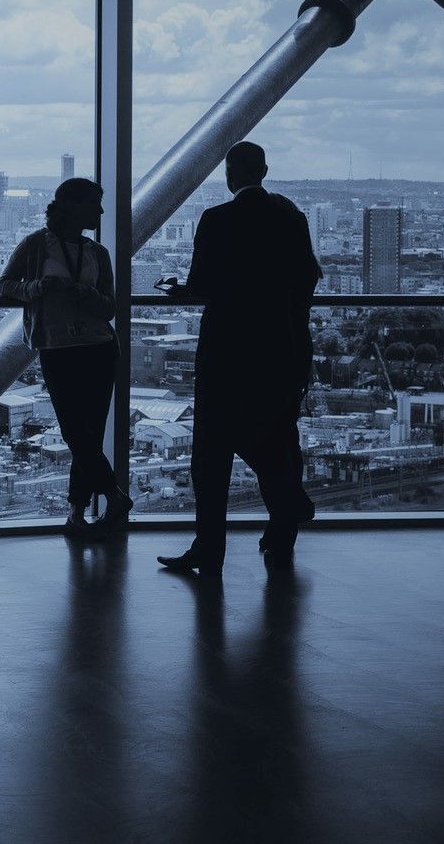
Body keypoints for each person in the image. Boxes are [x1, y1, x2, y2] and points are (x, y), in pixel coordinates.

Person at [157, 141, 322, 577]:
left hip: (227, 351)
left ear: (230, 175)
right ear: (264, 170)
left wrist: (180, 291)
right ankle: (282, 528)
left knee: (211, 455)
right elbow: (308, 278)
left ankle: (209, 550)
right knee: (279, 437)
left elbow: (202, 286)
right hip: (282, 349)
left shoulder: (217, 219)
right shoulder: (292, 218)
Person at [0, 178, 132, 538]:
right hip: (60, 348)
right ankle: (113, 497)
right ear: (73, 207)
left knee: (85, 434)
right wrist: (38, 288)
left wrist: (77, 292)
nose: (101, 212)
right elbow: (5, 286)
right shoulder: (36, 246)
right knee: (79, 434)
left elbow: (108, 308)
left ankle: (76, 513)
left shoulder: (97, 253)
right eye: (95, 204)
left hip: (98, 347)